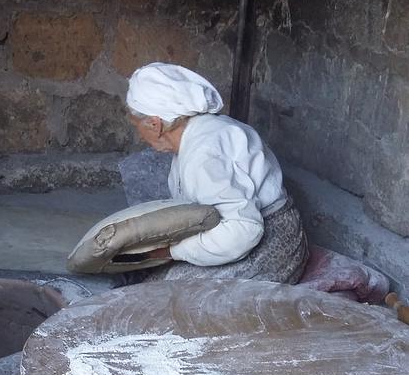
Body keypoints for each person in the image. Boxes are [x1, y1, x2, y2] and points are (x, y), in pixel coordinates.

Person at [125, 62, 309, 284]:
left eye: (138, 127)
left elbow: (244, 230)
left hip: (274, 242)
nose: (140, 136)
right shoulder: (196, 134)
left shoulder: (203, 154)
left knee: (161, 293)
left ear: (155, 124)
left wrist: (172, 252)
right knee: (144, 276)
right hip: (246, 230)